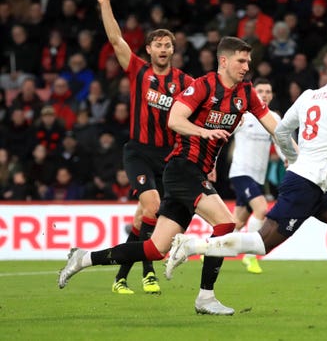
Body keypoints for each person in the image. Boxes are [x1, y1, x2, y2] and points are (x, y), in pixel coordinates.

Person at [164, 58, 327, 315]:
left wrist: (294, 158)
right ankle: (192, 246)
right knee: (259, 244)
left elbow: (283, 130)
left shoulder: (308, 96)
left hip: (314, 183)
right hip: (305, 185)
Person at [58, 36, 296, 316]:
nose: (247, 66)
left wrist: (299, 158)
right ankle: (205, 297)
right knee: (225, 223)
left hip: (194, 172)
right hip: (182, 168)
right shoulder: (203, 85)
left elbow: (275, 128)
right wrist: (203, 132)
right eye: (241, 60)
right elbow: (175, 120)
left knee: (154, 248)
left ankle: (84, 258)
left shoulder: (247, 93)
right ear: (224, 61)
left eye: (248, 61)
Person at [94, 0, 194, 295]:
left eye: (168, 45)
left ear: (173, 50)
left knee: (143, 217)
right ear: (149, 49)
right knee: (152, 209)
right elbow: (115, 38)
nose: (163, 49)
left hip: (169, 156)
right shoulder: (138, 70)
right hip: (138, 151)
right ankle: (148, 273)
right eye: (158, 45)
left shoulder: (186, 82)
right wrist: (105, 3)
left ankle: (121, 277)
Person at [228, 78, 284, 274]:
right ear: (253, 94)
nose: (265, 95)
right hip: (241, 172)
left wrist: (288, 159)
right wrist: (211, 164)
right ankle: (250, 257)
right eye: (260, 91)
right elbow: (222, 135)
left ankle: (210, 250)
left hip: (258, 177)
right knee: (261, 209)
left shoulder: (274, 118)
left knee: (237, 222)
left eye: (268, 91)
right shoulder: (242, 116)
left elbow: (280, 142)